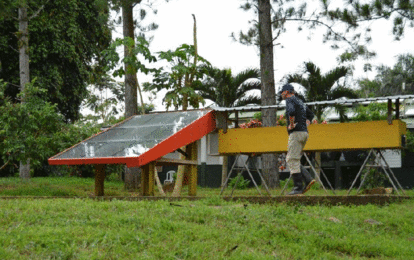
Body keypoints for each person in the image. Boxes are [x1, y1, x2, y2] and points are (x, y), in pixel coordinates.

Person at [280, 83, 316, 195]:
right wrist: (306, 123)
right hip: (304, 133)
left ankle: (298, 187)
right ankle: (307, 179)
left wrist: (291, 124)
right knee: (294, 158)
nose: (282, 94)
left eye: (282, 92)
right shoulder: (300, 101)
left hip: (296, 133)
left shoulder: (290, 100)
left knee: (291, 159)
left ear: (286, 92)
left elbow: (291, 112)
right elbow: (311, 114)